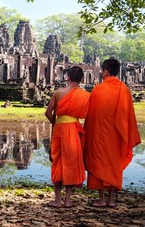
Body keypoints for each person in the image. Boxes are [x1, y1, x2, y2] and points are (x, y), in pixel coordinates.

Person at [83, 58, 141, 207]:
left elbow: (91, 115)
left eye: (102, 71)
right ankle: (111, 200)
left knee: (98, 162)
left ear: (106, 72)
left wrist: (87, 133)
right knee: (113, 164)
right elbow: (128, 116)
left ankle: (101, 199)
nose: (102, 73)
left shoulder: (98, 89)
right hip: (117, 135)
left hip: (99, 134)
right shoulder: (125, 90)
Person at [44, 66, 91, 208]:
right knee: (71, 162)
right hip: (74, 129)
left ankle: (57, 200)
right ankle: (68, 200)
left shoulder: (58, 93)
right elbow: (87, 114)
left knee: (58, 160)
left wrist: (56, 122)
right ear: (82, 79)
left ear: (67, 78)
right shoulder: (86, 95)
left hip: (60, 129)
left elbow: (48, 112)